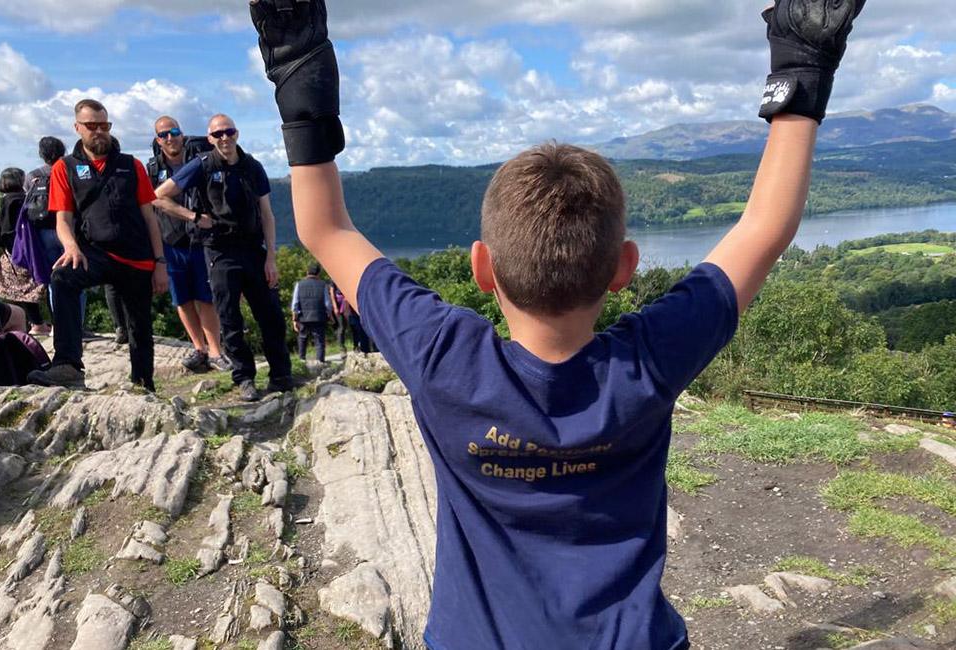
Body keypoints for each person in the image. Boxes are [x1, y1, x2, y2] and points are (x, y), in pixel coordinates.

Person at [251, 0, 866, 648]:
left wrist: (299, 71)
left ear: (482, 268)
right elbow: (764, 229)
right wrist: (801, 62)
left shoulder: (443, 360)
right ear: (624, 267)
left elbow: (325, 229)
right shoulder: (649, 362)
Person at [27, 98, 169, 390]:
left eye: (104, 125)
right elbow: (62, 220)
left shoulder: (132, 165)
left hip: (137, 257)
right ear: (77, 127)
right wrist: (70, 246)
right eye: (92, 126)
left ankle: (144, 385)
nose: (99, 131)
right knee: (63, 278)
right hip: (96, 253)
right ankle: (68, 365)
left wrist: (160, 263)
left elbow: (150, 218)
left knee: (138, 328)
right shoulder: (64, 168)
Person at [153, 114, 292, 402]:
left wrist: (271, 259)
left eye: (228, 132)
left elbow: (267, 214)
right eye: (217, 134)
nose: (224, 138)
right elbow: (159, 197)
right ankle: (245, 378)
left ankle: (281, 375)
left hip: (254, 250)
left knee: (270, 316)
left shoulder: (252, 166)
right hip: (219, 251)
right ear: (210, 138)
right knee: (229, 318)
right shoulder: (202, 165)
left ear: (237, 133)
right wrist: (193, 217)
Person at [147, 115, 229, 372]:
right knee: (181, 299)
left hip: (201, 240)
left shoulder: (199, 160)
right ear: (158, 140)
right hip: (170, 241)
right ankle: (199, 349)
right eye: (163, 134)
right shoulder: (153, 169)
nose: (170, 137)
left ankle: (215, 351)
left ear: (182, 133)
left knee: (205, 297)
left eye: (174, 131)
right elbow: (150, 204)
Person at [26, 136, 93, 338]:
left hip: (44, 232)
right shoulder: (70, 168)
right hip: (69, 230)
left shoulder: (32, 176)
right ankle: (77, 326)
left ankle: (59, 326)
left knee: (54, 281)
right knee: (77, 279)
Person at [0, 167, 47, 333]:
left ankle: (28, 322)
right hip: (23, 250)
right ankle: (37, 323)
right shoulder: (19, 199)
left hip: (11, 252)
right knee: (29, 288)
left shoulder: (6, 199)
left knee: (10, 290)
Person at [291, 262, 330, 361]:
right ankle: (320, 362)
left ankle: (302, 360)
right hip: (319, 317)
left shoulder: (299, 284)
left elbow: (295, 303)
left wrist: (294, 319)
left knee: (302, 338)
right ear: (318, 273)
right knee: (319, 341)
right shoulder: (323, 285)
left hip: (303, 317)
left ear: (307, 272)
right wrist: (329, 315)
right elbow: (327, 304)